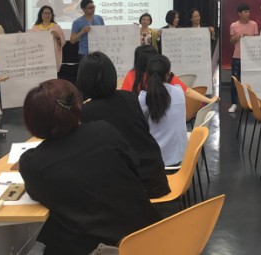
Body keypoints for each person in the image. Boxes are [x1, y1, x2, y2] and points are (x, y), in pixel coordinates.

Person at [19, 79, 161, 255]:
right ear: (76, 107)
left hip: (92, 248)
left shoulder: (32, 164)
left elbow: (38, 195)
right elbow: (133, 164)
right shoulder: (104, 131)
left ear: (31, 121)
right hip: (148, 238)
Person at [77, 52, 170, 198]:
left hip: (131, 188)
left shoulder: (87, 111)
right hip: (155, 175)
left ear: (83, 81)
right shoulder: (130, 97)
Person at [121, 45, 219, 104]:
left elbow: (124, 98)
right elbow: (187, 91)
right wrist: (209, 100)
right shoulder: (163, 73)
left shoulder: (131, 75)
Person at [139, 55, 187, 166]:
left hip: (155, 162)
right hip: (181, 158)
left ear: (147, 75)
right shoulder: (179, 91)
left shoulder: (144, 98)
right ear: (168, 74)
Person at [228, 3, 258, 113]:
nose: (248, 14)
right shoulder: (234, 25)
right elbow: (231, 42)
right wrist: (235, 38)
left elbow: (257, 40)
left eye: (248, 12)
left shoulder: (254, 24)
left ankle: (251, 102)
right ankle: (234, 103)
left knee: (250, 80)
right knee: (235, 81)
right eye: (245, 12)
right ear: (239, 14)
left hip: (250, 57)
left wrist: (248, 37)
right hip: (237, 56)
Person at [30, 5, 66, 72]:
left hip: (52, 58)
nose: (47, 15)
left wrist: (57, 36)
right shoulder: (35, 28)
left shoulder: (56, 27)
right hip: (39, 58)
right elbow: (30, 42)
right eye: (45, 13)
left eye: (49, 13)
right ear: (41, 15)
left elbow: (62, 43)